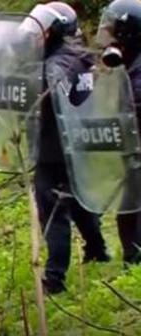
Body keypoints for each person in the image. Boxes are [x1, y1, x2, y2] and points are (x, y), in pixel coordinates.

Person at [21, 2, 110, 294]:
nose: (35, 36)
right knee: (79, 200)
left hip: (53, 148)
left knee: (53, 211)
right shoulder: (80, 57)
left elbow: (55, 91)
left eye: (41, 30)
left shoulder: (55, 63)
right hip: (77, 145)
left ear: (54, 31)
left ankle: (55, 278)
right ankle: (98, 249)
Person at [97, 0, 141, 266]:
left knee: (134, 209)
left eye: (113, 29)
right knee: (128, 209)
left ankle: (135, 262)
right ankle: (132, 260)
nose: (108, 35)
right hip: (133, 154)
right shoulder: (131, 65)